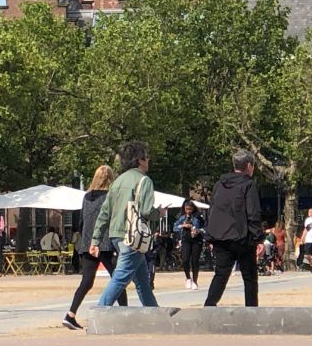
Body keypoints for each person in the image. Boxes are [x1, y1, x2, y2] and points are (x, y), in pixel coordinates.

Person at [90, 141, 159, 308]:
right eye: (147, 157)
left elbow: (104, 213)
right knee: (121, 277)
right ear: (140, 160)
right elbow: (146, 210)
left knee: (142, 279)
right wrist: (159, 213)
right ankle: (99, 311)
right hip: (133, 235)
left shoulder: (117, 181)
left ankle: (154, 312)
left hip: (116, 234)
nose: (148, 161)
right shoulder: (144, 181)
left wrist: (95, 240)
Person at [63, 165, 125, 329]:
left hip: (87, 243)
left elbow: (82, 221)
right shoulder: (110, 196)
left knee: (87, 281)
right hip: (104, 242)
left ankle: (71, 314)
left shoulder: (86, 196)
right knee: (118, 279)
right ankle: (125, 313)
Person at [203, 150, 262, 307]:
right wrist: (257, 238)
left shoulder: (219, 185)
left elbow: (212, 210)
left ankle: (209, 305)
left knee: (221, 274)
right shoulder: (248, 185)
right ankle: (251, 309)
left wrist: (210, 235)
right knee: (249, 277)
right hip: (242, 237)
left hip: (220, 236)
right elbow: (253, 212)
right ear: (249, 166)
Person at [173, 200, 205, 290]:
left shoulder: (198, 217)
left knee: (195, 261)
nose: (188, 211)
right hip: (185, 240)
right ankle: (188, 278)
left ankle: (195, 281)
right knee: (185, 260)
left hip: (196, 240)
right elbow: (175, 227)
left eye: (190, 209)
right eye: (186, 209)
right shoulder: (181, 217)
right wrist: (183, 226)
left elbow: (205, 227)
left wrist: (198, 231)